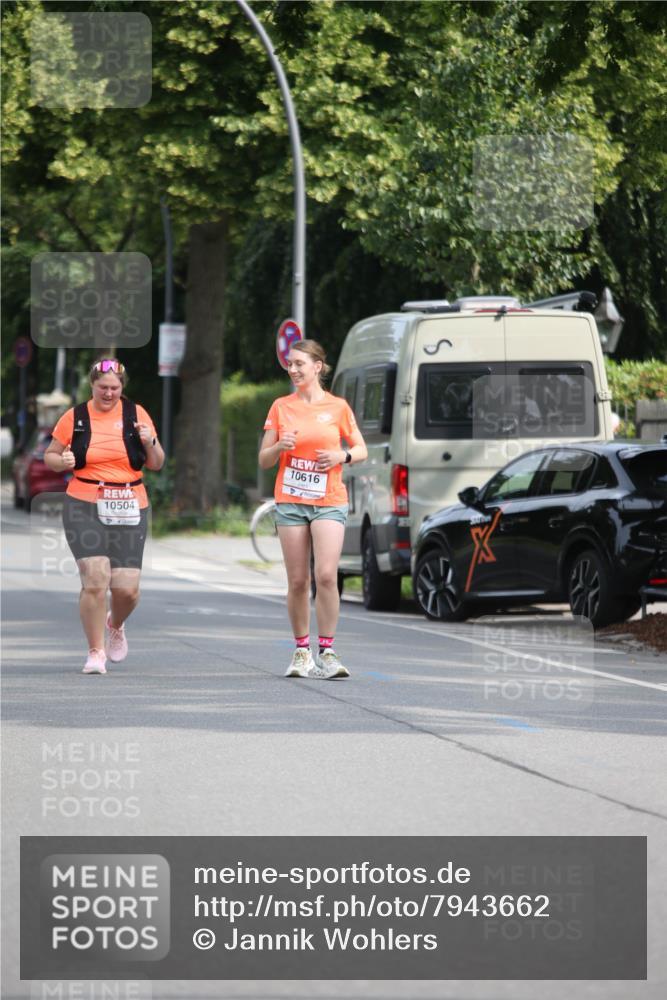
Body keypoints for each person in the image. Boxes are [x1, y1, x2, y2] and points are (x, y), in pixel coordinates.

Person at [44, 359, 164, 675]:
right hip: (84, 503)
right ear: (92, 386)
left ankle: (115, 623)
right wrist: (63, 460)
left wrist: (149, 441)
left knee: (127, 589)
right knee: (95, 580)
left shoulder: (136, 414)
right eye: (103, 388)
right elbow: (51, 456)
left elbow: (156, 463)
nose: (109, 394)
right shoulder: (75, 417)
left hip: (129, 503)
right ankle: (96, 651)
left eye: (114, 388)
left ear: (122, 388)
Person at [259, 339, 367, 680]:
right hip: (291, 500)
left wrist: (341, 456)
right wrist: (279, 446)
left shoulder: (338, 407)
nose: (292, 369)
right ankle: (302, 651)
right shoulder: (280, 406)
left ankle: (329, 651)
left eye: (299, 364)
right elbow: (264, 461)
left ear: (317, 366)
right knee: (297, 580)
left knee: (325, 575)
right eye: (289, 364)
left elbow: (361, 448)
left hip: (329, 500)